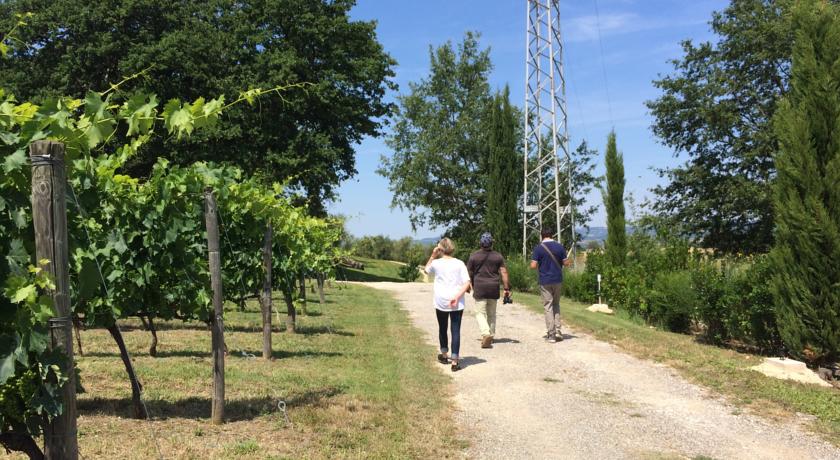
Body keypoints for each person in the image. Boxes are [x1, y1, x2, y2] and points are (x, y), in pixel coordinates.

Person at [424, 238, 471, 371]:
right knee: (455, 330)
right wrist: (457, 297)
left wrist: (433, 255)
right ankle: (455, 361)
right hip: (456, 301)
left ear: (440, 249)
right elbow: (467, 282)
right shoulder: (460, 263)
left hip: (441, 301)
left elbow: (426, 270)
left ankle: (444, 354)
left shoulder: (437, 263)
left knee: (442, 327)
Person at [466, 232, 510, 349]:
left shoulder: (474, 256)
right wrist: (506, 288)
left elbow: (468, 273)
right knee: (491, 313)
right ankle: (491, 335)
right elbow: (504, 272)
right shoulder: (498, 256)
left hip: (480, 288)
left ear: (481, 243)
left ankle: (486, 334)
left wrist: (468, 286)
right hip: (493, 288)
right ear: (491, 243)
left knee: (480, 312)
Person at [530, 227, 571, 343]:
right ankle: (558, 330)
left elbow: (533, 265)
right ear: (552, 235)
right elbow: (566, 263)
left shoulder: (538, 249)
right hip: (557, 279)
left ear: (542, 236)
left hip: (545, 280)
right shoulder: (559, 247)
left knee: (548, 306)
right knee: (556, 304)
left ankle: (551, 334)